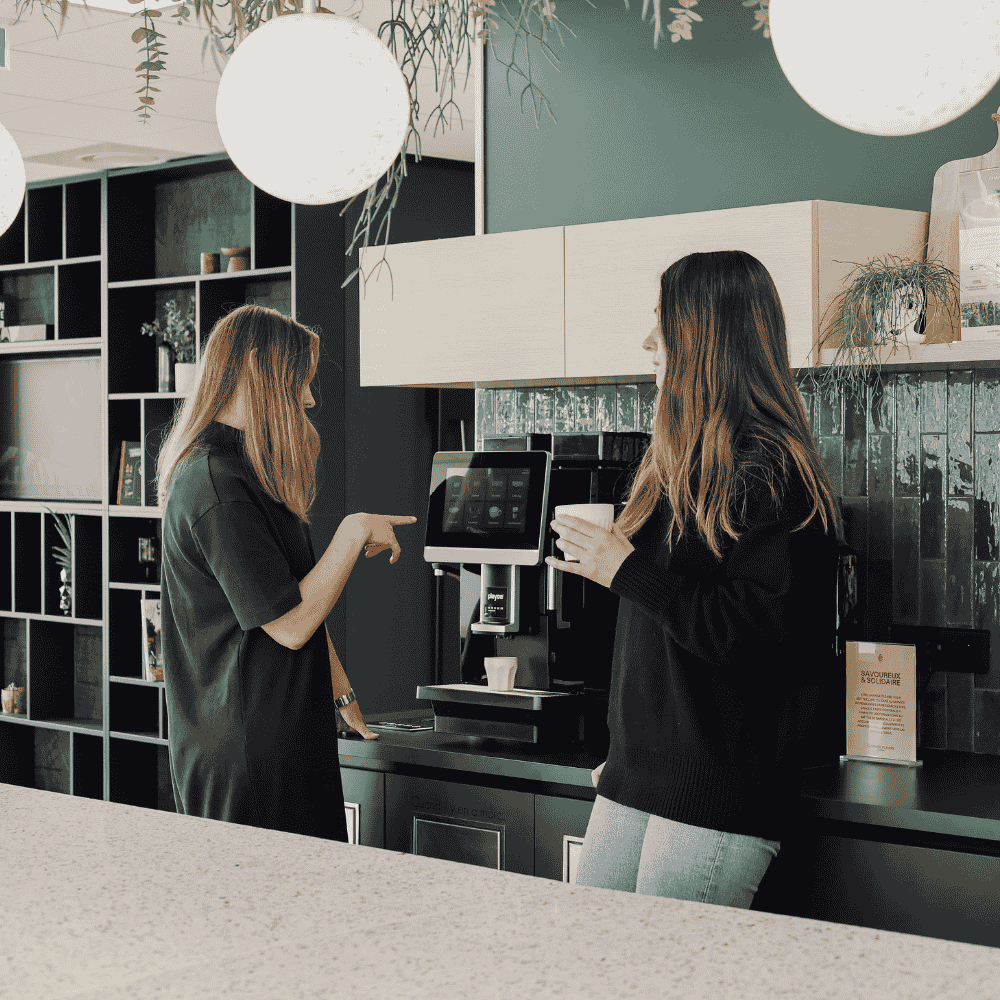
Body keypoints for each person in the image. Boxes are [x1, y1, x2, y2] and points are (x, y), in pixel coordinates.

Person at [547, 250, 843, 908]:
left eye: (663, 322)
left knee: (662, 964)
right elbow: (655, 644)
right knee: (588, 956)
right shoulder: (671, 469)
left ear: (706, 338)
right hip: (635, 780)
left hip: (717, 791)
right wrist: (629, 752)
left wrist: (626, 570)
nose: (648, 342)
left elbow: (756, 634)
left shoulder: (773, 475)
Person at [156, 304, 417, 841]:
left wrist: (341, 695)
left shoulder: (243, 474)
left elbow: (293, 599)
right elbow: (291, 624)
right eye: (300, 379)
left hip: (283, 738)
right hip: (248, 755)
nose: (310, 398)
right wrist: (353, 531)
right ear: (257, 366)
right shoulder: (215, 484)